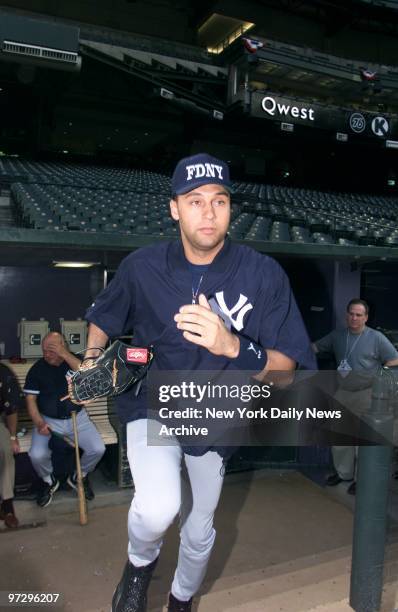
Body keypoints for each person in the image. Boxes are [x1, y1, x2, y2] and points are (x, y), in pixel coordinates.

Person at [83, 153, 316, 612]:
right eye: (194, 201)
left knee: (198, 526)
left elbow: (288, 371)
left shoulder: (263, 274)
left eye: (219, 201)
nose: (208, 212)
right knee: (158, 508)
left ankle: (182, 599)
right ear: (174, 209)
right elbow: (104, 317)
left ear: (232, 209)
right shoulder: (142, 266)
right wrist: (92, 357)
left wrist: (233, 347)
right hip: (153, 403)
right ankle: (137, 566)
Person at [313, 298, 398, 495]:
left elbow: (394, 360)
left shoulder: (376, 338)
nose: (354, 318)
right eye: (351, 313)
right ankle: (344, 474)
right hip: (344, 393)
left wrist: (379, 376)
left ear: (366, 317)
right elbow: (316, 347)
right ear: (346, 315)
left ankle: (363, 479)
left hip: (366, 394)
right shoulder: (338, 336)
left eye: (359, 315)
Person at [24, 332, 105, 507]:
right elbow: (30, 401)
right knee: (36, 455)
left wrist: (65, 354)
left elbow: (88, 375)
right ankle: (48, 480)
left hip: (78, 418)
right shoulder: (37, 369)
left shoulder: (75, 360)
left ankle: (79, 476)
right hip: (49, 420)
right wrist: (39, 423)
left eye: (52, 350)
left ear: (63, 347)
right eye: (44, 350)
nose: (47, 354)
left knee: (97, 449)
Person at [0, 362, 24, 528]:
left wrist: (13, 436)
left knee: (4, 449)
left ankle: (7, 504)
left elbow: (12, 408)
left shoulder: (3, 372)